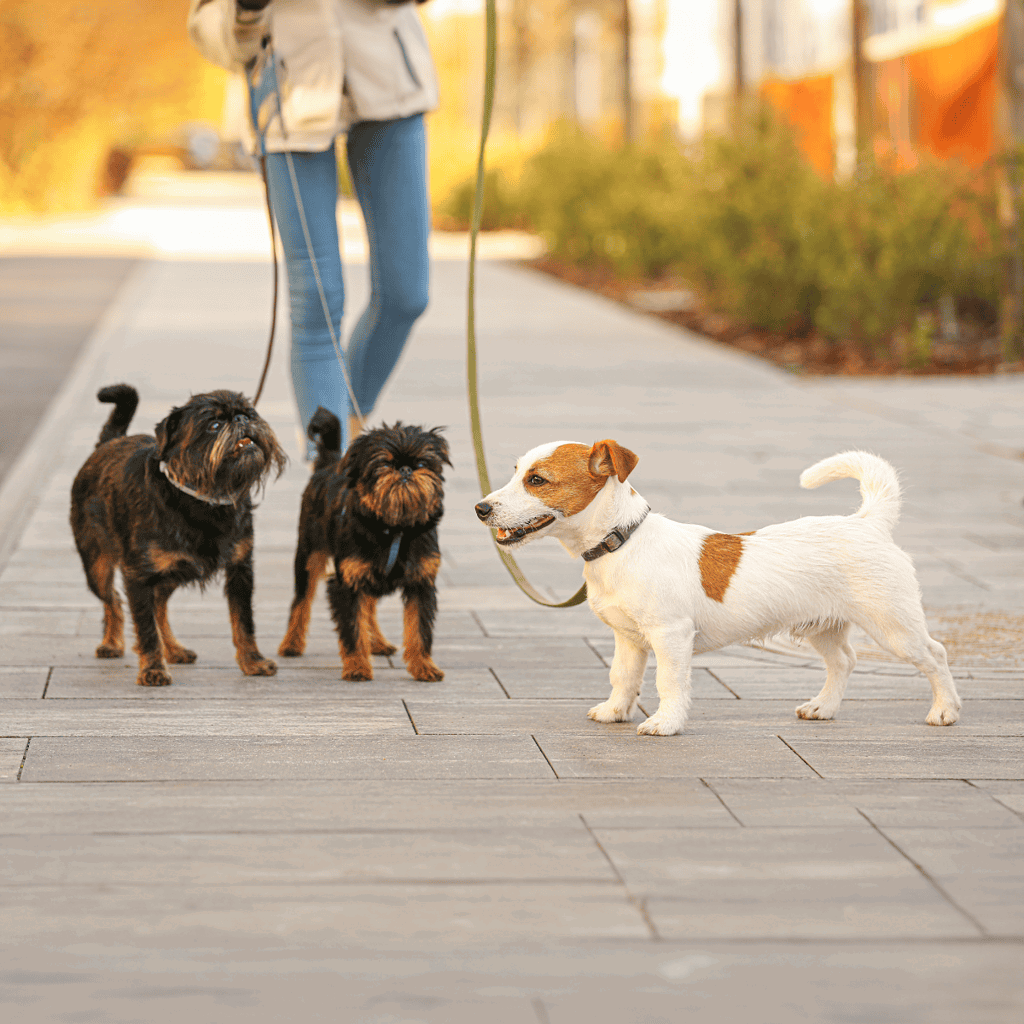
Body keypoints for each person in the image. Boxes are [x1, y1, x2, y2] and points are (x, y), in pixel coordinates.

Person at [187, 0, 439, 456]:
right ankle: (331, 470)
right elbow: (207, 25)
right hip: (287, 96)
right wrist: (246, 9)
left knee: (407, 295)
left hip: (389, 80)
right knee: (317, 301)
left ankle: (347, 425)